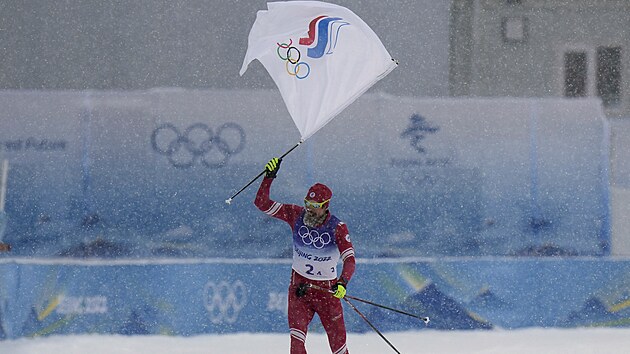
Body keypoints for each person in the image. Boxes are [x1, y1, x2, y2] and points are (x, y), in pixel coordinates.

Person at [254, 157, 355, 354]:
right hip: (300, 290)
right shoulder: (295, 214)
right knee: (296, 345)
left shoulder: (337, 227)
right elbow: (261, 203)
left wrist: (343, 282)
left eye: (314, 205)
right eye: (307, 203)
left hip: (327, 293)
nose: (309, 208)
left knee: (339, 349)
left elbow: (350, 260)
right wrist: (269, 177)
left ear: (325, 205)